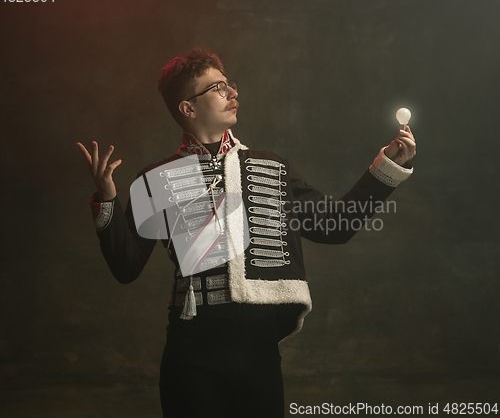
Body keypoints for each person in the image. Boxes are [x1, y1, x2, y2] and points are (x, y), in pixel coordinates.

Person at [76, 47, 416, 418]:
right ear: (187, 108)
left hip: (257, 346)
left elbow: (336, 226)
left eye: (229, 85)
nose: (232, 93)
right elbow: (126, 267)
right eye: (218, 88)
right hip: (190, 349)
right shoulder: (156, 179)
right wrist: (107, 200)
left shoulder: (272, 167)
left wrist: (386, 169)